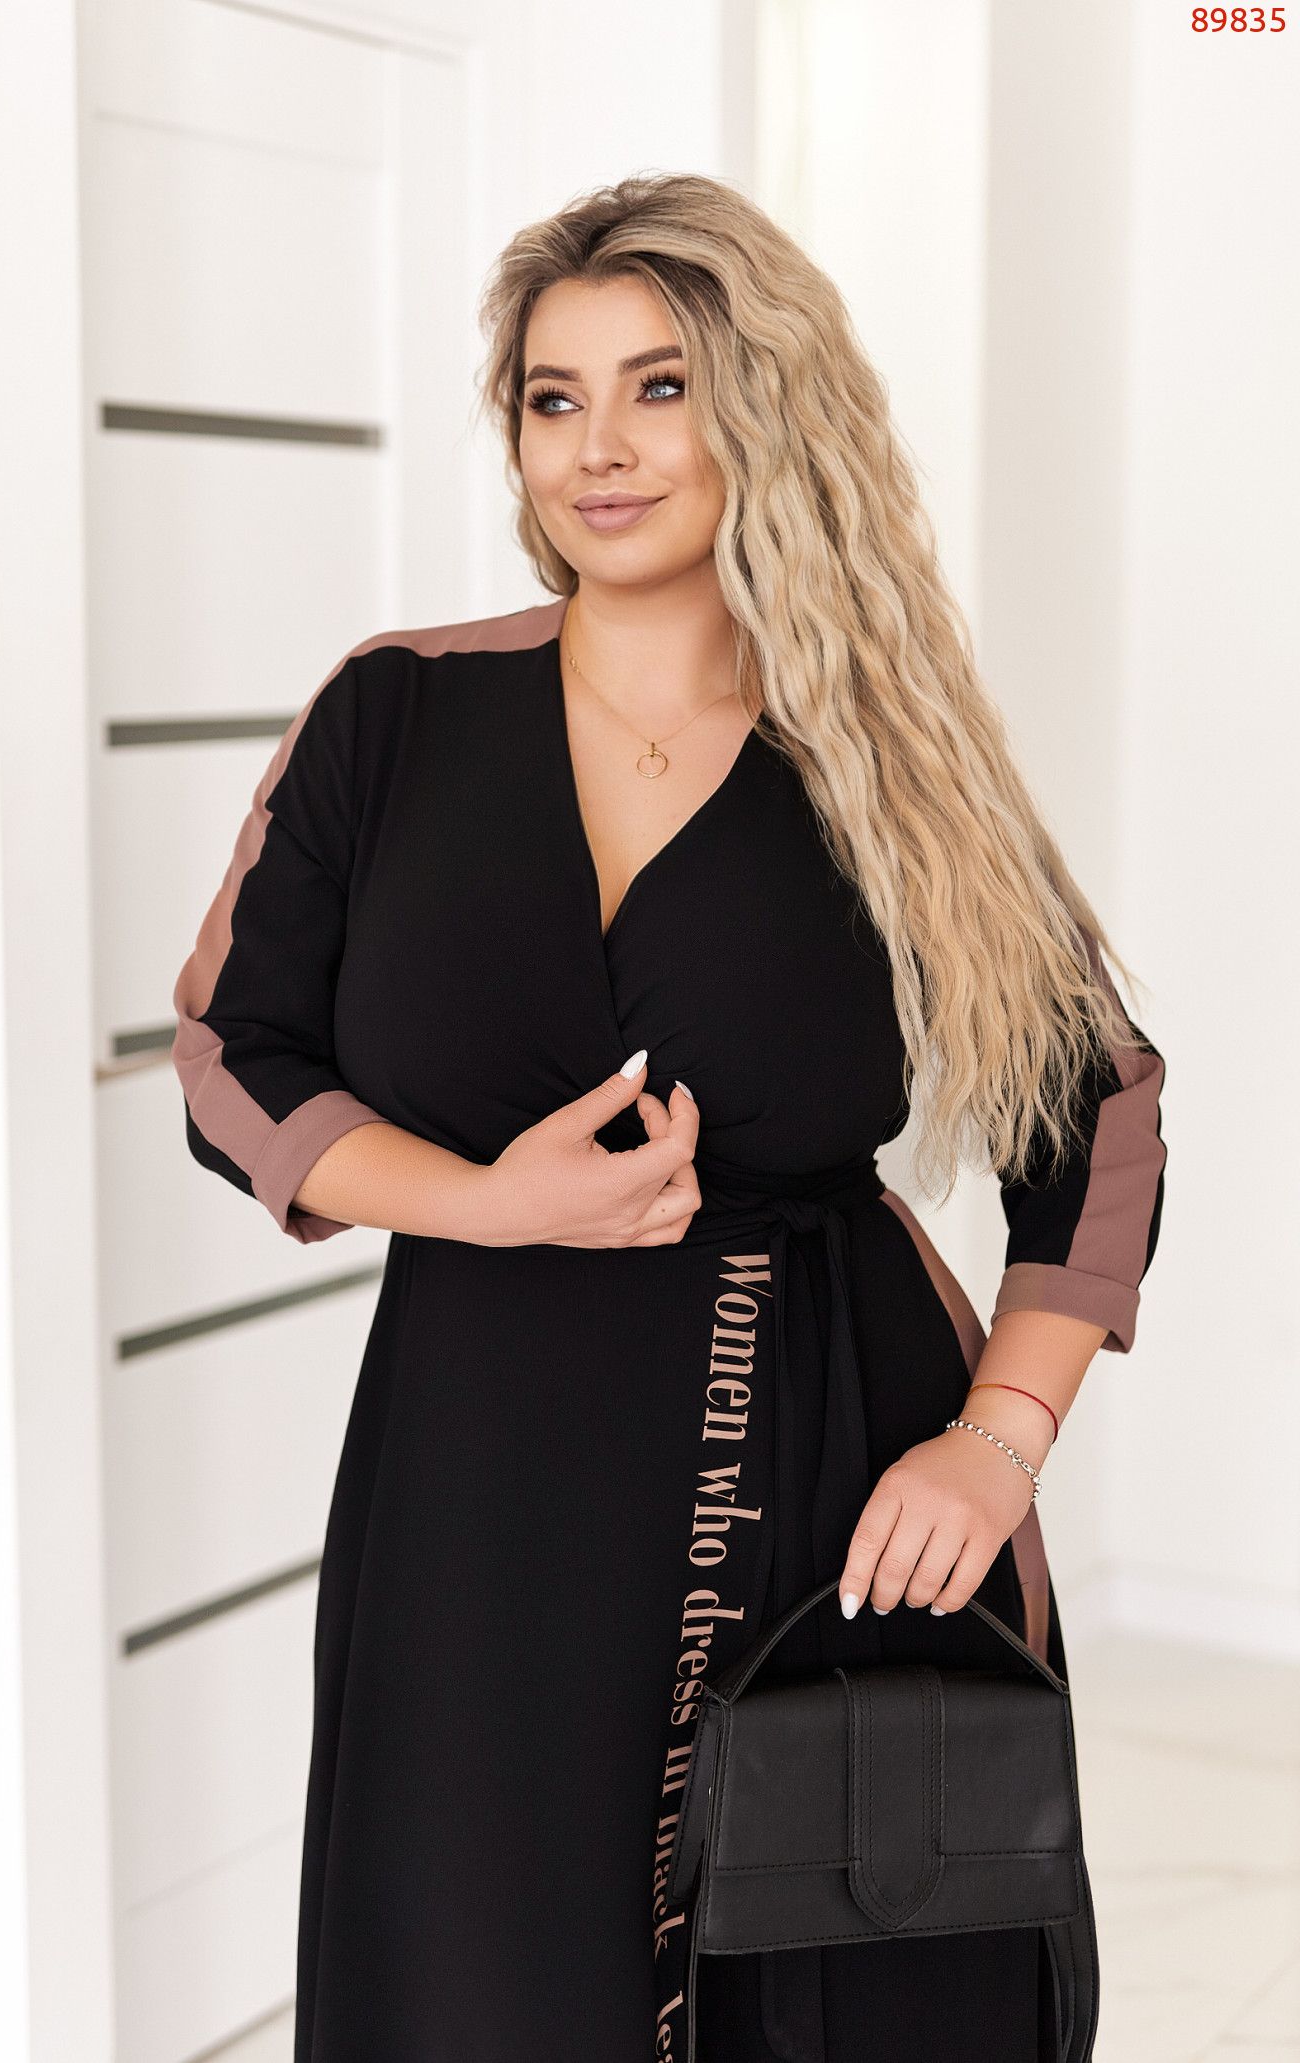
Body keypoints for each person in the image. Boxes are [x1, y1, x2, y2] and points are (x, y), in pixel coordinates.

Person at [171, 172, 1166, 2063]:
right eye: (554, 398)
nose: (599, 450)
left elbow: (1096, 1103)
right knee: (478, 1962)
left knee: (832, 1980)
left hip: (820, 1448)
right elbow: (236, 1055)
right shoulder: (392, 716)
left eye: (660, 388)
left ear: (765, 412)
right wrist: (483, 1200)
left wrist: (996, 1448)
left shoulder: (885, 752)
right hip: (480, 1475)